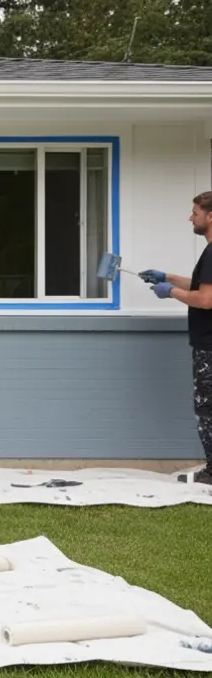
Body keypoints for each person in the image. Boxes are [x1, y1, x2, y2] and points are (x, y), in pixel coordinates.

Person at [139, 191, 212, 485]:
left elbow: (206, 299)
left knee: (207, 409)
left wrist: (170, 293)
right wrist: (167, 277)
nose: (190, 218)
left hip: (209, 347)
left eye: (194, 213)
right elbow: (199, 286)